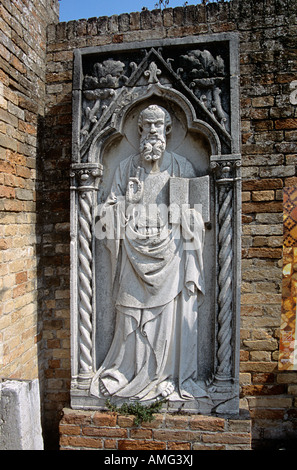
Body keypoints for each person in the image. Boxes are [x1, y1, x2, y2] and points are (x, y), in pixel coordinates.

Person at [90, 104, 208, 402]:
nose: (153, 132)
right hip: (131, 253)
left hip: (171, 256)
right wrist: (123, 206)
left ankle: (166, 375)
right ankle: (124, 372)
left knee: (167, 317)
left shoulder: (182, 167)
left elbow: (201, 217)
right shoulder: (125, 168)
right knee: (129, 313)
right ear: (139, 130)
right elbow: (104, 212)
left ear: (168, 130)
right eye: (147, 126)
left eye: (159, 126)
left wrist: (183, 216)